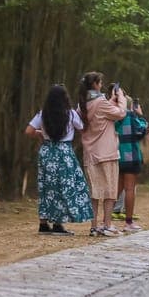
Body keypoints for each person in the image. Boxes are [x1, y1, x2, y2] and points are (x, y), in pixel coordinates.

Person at [25, 85, 94, 236]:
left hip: (47, 152)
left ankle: (43, 224)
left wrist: (40, 133)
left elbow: (28, 131)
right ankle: (58, 224)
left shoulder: (43, 114)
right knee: (64, 187)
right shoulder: (70, 114)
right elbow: (83, 128)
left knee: (46, 186)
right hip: (64, 153)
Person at [77, 72, 126, 236]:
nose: (102, 85)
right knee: (110, 191)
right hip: (107, 153)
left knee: (95, 192)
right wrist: (121, 97)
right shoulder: (100, 102)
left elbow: (102, 112)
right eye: (100, 82)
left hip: (90, 154)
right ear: (96, 84)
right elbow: (120, 113)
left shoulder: (82, 104)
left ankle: (94, 226)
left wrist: (110, 100)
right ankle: (107, 224)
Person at [114, 89, 147, 231]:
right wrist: (140, 116)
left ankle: (106, 220)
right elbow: (141, 131)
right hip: (132, 156)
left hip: (117, 155)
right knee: (129, 189)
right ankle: (129, 222)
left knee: (117, 188)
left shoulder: (114, 117)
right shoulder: (131, 116)